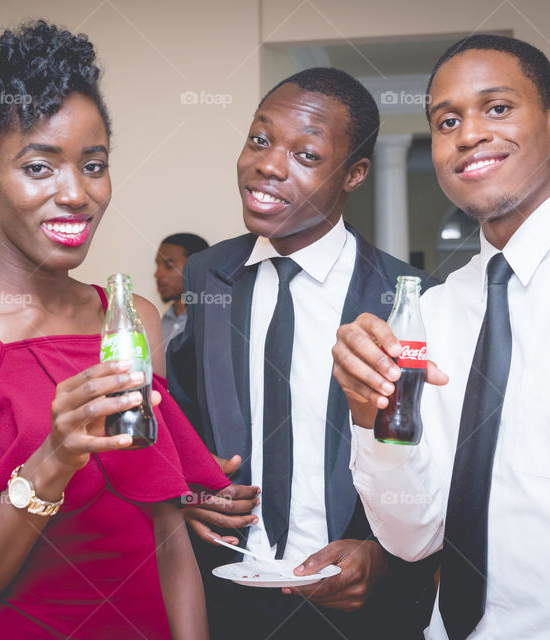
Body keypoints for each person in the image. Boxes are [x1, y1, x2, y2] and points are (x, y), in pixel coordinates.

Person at [0, 21, 228, 639]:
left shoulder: (131, 321)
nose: (77, 193)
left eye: (94, 164)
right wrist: (54, 458)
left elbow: (167, 536)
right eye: (39, 167)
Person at [332, 35, 550, 640]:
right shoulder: (429, 315)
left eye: (498, 108)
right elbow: (414, 537)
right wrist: (370, 417)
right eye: (447, 120)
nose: (468, 135)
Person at [167, 67, 439, 640]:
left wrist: (382, 557)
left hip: (357, 607)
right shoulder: (207, 276)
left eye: (307, 155)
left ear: (354, 174)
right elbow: (184, 412)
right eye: (260, 140)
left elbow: (434, 461)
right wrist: (186, 493)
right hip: (229, 594)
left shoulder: (409, 299)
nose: (268, 164)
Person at [154, 233, 209, 348]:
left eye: (168, 265)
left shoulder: (212, 321)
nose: (157, 274)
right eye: (157, 265)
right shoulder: (159, 323)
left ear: (196, 267)